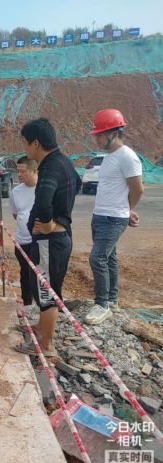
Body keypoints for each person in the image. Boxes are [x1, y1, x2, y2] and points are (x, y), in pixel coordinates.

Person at [15, 118, 81, 358]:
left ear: (35, 143)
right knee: (44, 287)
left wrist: (49, 222)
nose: (25, 148)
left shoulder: (49, 167)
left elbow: (43, 201)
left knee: (47, 292)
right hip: (55, 239)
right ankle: (41, 328)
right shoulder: (64, 161)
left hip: (50, 241)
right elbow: (78, 183)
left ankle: (47, 345)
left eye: (25, 143)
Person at [84, 109, 144, 325]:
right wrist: (126, 209)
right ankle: (112, 300)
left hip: (113, 218)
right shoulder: (110, 157)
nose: (97, 139)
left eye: (99, 135)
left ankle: (102, 305)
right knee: (108, 258)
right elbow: (115, 188)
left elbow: (137, 189)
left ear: (113, 133)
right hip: (101, 215)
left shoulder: (127, 156)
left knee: (97, 258)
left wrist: (126, 210)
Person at [9, 156, 38, 308]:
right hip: (22, 240)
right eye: (17, 171)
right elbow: (15, 214)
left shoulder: (44, 189)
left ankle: (44, 306)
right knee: (25, 273)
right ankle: (27, 304)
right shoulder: (15, 191)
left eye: (23, 171)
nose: (19, 175)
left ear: (35, 171)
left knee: (40, 274)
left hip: (39, 240)